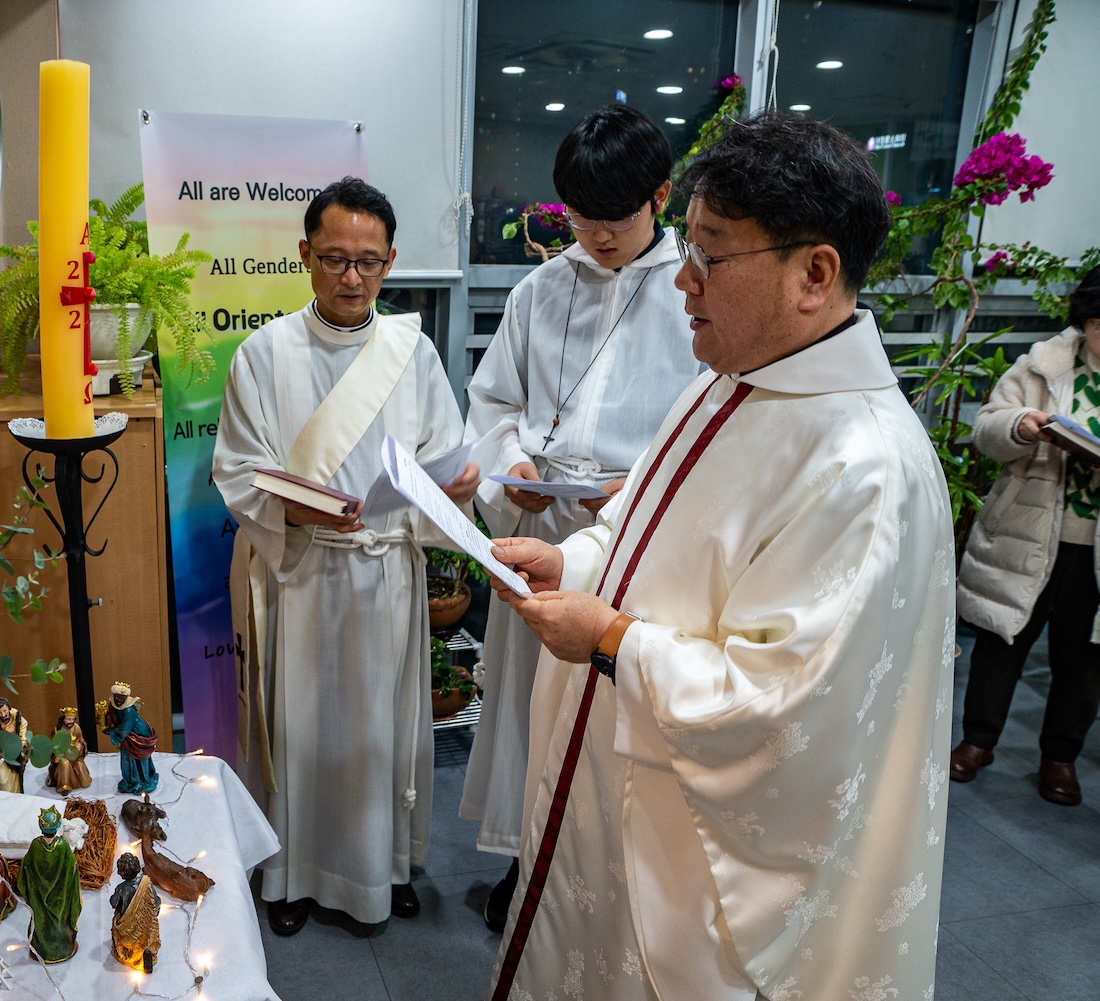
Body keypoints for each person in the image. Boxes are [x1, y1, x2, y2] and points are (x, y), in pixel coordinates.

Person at [482, 111, 956, 1001]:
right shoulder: (726, 381)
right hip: (616, 784)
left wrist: (611, 638)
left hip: (699, 863)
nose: (681, 280)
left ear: (814, 274)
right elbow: (642, 528)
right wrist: (575, 565)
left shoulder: (863, 466)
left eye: (709, 255)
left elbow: (778, 709)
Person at [459, 103, 705, 930]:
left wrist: (637, 487)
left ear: (662, 196)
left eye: (615, 219)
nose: (596, 236)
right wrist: (513, 468)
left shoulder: (695, 292)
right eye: (580, 218)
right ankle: (528, 855)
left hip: (641, 539)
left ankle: (605, 871)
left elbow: (708, 423)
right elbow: (494, 401)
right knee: (531, 702)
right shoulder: (541, 289)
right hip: (544, 530)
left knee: (610, 713)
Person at [214, 177, 479, 935]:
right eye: (334, 258)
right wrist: (292, 507)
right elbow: (238, 468)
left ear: (390, 261)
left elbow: (443, 452)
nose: (352, 277)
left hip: (386, 571)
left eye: (368, 261)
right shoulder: (264, 353)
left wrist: (456, 485)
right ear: (305, 255)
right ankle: (293, 874)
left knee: (379, 734)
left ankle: (385, 867)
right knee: (302, 732)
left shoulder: (412, 352)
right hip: (302, 574)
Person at [952, 266, 1100, 805]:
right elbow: (986, 429)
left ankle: (1060, 758)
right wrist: (1020, 426)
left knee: (1083, 659)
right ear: (1084, 321)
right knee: (1001, 639)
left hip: (1093, 551)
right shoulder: (1043, 365)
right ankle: (977, 741)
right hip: (1027, 531)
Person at [14, 806, 81, 964]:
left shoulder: (35, 846)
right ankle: (62, 948)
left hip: (38, 897)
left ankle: (43, 949)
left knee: (41, 922)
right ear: (57, 827)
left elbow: (26, 867)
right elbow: (72, 868)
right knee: (61, 922)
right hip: (60, 898)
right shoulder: (63, 846)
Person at [100, 683, 159, 795]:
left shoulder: (128, 710)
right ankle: (130, 781)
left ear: (126, 698)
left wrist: (111, 732)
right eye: (117, 697)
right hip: (128, 735)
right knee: (127, 759)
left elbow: (124, 729)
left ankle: (139, 781)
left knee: (135, 757)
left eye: (122, 698)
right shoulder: (113, 704)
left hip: (137, 734)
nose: (119, 701)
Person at [110, 852, 162, 974]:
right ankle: (146, 952)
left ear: (121, 873)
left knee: (115, 926)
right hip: (145, 925)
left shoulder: (121, 888)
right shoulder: (146, 883)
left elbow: (114, 903)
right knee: (147, 933)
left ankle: (128, 951)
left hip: (127, 926)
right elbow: (155, 901)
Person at [0, 697, 29, 793]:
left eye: (5, 711)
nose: (3, 715)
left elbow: (23, 738)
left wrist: (16, 746)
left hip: (13, 755)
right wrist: (4, 736)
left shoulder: (17, 717)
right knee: (2, 782)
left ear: (9, 708)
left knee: (14, 779)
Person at [46, 706, 91, 796]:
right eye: (68, 719)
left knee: (85, 781)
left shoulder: (76, 728)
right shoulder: (57, 730)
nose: (71, 721)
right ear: (63, 719)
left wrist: (80, 746)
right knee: (65, 764)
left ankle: (81, 781)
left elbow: (81, 741)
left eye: (72, 719)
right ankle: (64, 786)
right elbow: (53, 746)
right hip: (62, 756)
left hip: (75, 755)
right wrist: (58, 753)